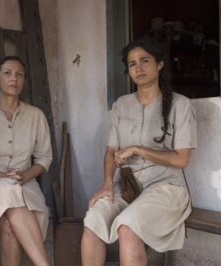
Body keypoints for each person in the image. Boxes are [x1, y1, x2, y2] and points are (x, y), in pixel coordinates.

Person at [81, 38, 197, 266]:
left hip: (166, 188)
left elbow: (182, 159)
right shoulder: (121, 105)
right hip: (128, 186)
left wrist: (138, 150)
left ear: (160, 64)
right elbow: (111, 150)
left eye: (145, 61)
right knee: (93, 219)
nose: (139, 68)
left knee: (128, 226)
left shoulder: (180, 105)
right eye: (132, 63)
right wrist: (106, 183)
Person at [0, 56, 52, 266]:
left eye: (19, 74)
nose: (14, 78)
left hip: (26, 185)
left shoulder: (36, 116)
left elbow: (44, 158)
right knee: (7, 192)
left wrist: (25, 175)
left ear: (24, 81)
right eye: (7, 73)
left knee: (8, 224)